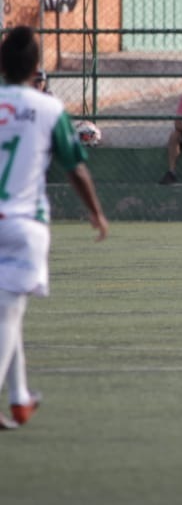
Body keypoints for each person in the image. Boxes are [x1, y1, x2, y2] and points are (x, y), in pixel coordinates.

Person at [0, 26, 109, 431]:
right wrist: (96, 212)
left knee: (8, 315)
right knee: (8, 315)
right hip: (23, 224)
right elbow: (75, 167)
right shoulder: (48, 109)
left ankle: (20, 398)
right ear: (35, 69)